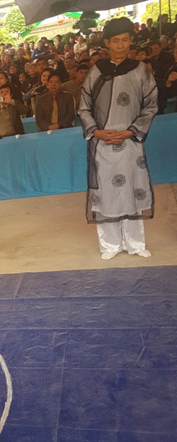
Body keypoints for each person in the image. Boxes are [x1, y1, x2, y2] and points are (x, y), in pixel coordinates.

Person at [78, 17, 158, 260]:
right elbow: (83, 107)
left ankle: (135, 243)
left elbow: (151, 105)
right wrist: (97, 131)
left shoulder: (141, 70)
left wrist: (130, 131)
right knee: (107, 194)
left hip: (130, 141)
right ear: (107, 43)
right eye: (115, 41)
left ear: (131, 41)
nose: (120, 45)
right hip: (103, 143)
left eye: (125, 40)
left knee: (132, 189)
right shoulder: (97, 71)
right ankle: (110, 245)